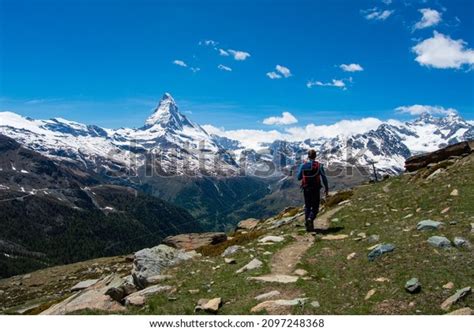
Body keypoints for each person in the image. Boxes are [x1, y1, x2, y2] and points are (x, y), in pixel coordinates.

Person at [297, 149, 329, 232]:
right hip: (315, 188)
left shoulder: (303, 165)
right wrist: (326, 188)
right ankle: (310, 219)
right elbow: (324, 178)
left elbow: (298, 177)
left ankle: (308, 227)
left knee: (307, 206)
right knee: (315, 207)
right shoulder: (319, 165)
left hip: (306, 188)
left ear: (308, 156)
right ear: (315, 156)